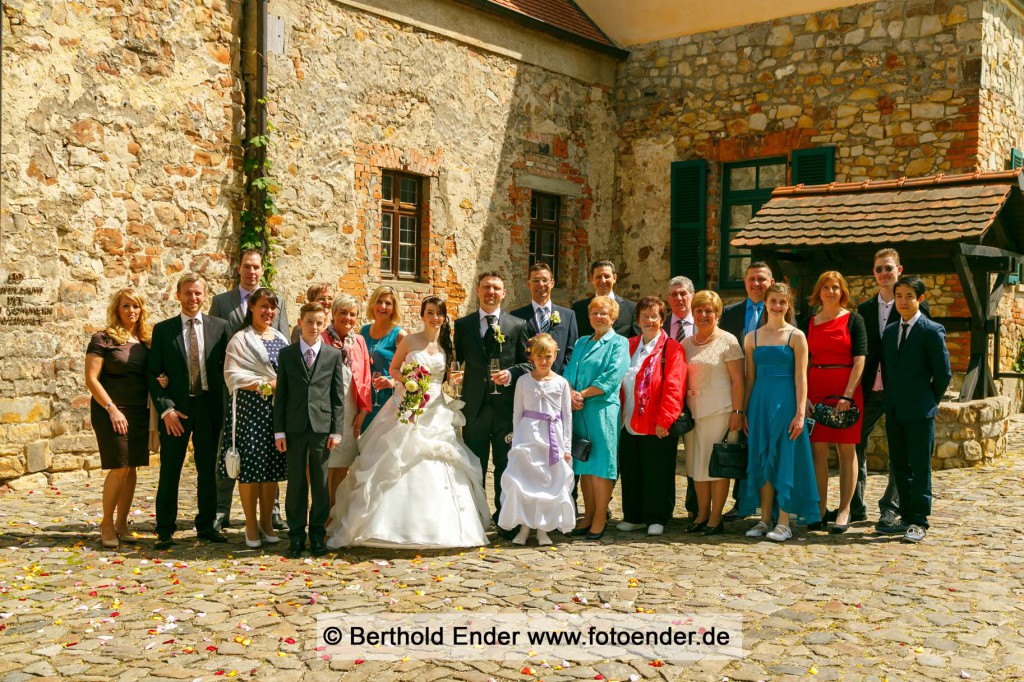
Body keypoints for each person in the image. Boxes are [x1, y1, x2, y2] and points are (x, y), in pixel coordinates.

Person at [326, 296, 491, 549]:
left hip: (437, 408)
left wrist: (454, 382)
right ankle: (385, 527)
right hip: (408, 405)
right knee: (396, 459)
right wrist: (409, 381)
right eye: (430, 312)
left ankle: (441, 527)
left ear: (444, 318)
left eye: (439, 313)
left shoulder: (447, 345)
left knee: (440, 461)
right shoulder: (410, 340)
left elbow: (449, 378)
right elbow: (393, 370)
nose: (435, 317)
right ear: (422, 315)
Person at [148, 273, 231, 549]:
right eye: (187, 293)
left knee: (208, 470)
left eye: (197, 293)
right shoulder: (163, 330)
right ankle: (165, 529)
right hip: (177, 412)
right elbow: (153, 375)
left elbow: (227, 369)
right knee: (171, 469)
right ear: (178, 295)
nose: (193, 298)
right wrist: (166, 409)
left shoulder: (220, 327)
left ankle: (206, 526)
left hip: (208, 408)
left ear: (204, 295)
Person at [208, 249, 288, 532]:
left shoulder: (276, 303)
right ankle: (222, 510)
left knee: (269, 460)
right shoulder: (222, 303)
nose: (251, 271)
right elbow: (215, 346)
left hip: (272, 403)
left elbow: (285, 350)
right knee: (234, 453)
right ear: (238, 269)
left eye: (256, 267)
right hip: (238, 396)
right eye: (246, 267)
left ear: (261, 269)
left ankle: (272, 514)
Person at [739, 283, 820, 542]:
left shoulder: (796, 336)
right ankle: (764, 519)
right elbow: (749, 378)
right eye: (773, 301)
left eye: (782, 302)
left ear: (788, 305)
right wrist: (744, 411)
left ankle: (784, 522)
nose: (777, 306)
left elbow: (801, 378)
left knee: (785, 457)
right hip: (760, 404)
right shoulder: (751, 337)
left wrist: (799, 412)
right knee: (762, 457)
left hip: (786, 403)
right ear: (765, 302)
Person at [857, 248, 931, 528]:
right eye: (878, 269)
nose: (884, 273)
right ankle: (855, 504)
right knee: (855, 442)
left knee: (899, 451)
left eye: (889, 268)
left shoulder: (915, 306)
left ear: (899, 270)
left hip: (900, 390)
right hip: (870, 388)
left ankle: (890, 507)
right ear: (873, 274)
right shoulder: (864, 309)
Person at [86, 288, 163, 549]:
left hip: (139, 412)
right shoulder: (102, 339)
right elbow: (91, 379)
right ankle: (106, 523)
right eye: (126, 306)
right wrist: (111, 408)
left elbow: (151, 374)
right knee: (119, 466)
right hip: (110, 410)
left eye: (136, 306)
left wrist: (161, 379)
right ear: (117, 310)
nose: (131, 311)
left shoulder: (146, 341)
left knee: (131, 468)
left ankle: (122, 523)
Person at [453, 272, 531, 530]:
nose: (491, 292)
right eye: (486, 287)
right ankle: (476, 518)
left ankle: (505, 519)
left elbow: (528, 363)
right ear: (477, 290)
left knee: (504, 465)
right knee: (474, 465)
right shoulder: (463, 326)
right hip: (474, 407)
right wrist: (453, 377)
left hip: (505, 408)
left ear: (504, 293)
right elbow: (455, 363)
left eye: (496, 288)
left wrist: (510, 374)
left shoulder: (517, 325)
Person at [877, 276, 951, 543]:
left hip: (920, 410)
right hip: (895, 410)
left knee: (920, 467)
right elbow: (887, 370)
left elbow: (943, 374)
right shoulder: (890, 331)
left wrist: (929, 400)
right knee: (900, 466)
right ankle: (906, 516)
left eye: (909, 296)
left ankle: (919, 521)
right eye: (899, 296)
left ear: (920, 299)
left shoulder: (931, 330)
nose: (903, 301)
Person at [274, 303, 345, 558]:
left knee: (320, 482)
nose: (314, 327)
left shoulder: (333, 355)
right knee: (295, 483)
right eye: (309, 322)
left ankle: (317, 535)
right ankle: (295, 535)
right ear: (299, 322)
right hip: (293, 428)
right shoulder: (287, 355)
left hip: (321, 429)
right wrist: (279, 432)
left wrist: (336, 431)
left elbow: (337, 396)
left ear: (324, 324)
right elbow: (280, 395)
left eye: (318, 323)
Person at [617, 297, 687, 537]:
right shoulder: (628, 345)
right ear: (637, 320)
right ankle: (634, 515)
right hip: (628, 420)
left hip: (656, 422)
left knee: (657, 471)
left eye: (654, 316)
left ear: (662, 320)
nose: (649, 321)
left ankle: (657, 516)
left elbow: (674, 386)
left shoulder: (672, 349)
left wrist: (664, 419)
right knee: (631, 468)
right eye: (644, 316)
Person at [803, 271, 867, 534]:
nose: (831, 292)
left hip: (846, 393)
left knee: (846, 451)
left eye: (836, 287)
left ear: (843, 292)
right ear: (818, 291)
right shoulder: (807, 322)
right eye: (826, 287)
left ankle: (844, 510)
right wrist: (804, 395)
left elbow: (860, 359)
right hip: (816, 390)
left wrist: (848, 394)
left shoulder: (854, 320)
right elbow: (803, 362)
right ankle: (819, 509)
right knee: (818, 452)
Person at [498, 334, 576, 546]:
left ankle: (543, 529)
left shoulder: (561, 383)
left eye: (548, 356)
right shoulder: (523, 381)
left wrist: (566, 446)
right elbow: (517, 412)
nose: (543, 360)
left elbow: (567, 415)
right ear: (532, 357)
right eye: (539, 356)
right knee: (525, 481)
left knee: (548, 482)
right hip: (528, 436)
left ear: (554, 357)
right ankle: (524, 527)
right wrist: (516, 443)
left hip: (553, 437)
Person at [564, 295, 630, 540]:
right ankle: (588, 515)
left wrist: (582, 394)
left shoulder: (619, 343)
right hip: (578, 410)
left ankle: (600, 517)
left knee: (601, 464)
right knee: (584, 463)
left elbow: (612, 377)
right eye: (595, 313)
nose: (599, 317)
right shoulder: (581, 342)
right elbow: (568, 372)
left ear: (613, 316)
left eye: (604, 313)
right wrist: (569, 393)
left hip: (601, 410)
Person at [680, 291, 745, 536]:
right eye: (699, 310)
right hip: (693, 414)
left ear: (717, 314)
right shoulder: (686, 343)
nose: (704, 315)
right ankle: (701, 514)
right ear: (693, 314)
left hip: (721, 412)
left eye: (709, 311)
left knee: (717, 466)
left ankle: (716, 518)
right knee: (697, 467)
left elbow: (739, 380)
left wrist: (738, 411)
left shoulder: (728, 341)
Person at [718, 261, 773, 517]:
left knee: (767, 445)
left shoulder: (777, 311)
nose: (756, 284)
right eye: (751, 279)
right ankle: (742, 501)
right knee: (739, 444)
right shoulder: (730, 313)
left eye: (761, 279)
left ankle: (769, 501)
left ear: (770, 283)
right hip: (735, 388)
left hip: (768, 388)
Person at [322, 294, 372, 509]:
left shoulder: (358, 340)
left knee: (344, 465)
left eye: (352, 314)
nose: (348, 318)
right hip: (328, 409)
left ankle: (337, 515)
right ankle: (323, 515)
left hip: (351, 408)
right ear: (333, 314)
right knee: (328, 465)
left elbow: (366, 375)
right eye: (343, 312)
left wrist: (363, 409)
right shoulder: (322, 338)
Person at [664, 275, 700, 519]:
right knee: (665, 459)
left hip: (698, 399)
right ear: (668, 299)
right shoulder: (660, 324)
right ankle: (664, 509)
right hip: (666, 402)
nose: (679, 298)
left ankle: (695, 508)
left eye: (683, 293)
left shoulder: (704, 322)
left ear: (692, 296)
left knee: (696, 456)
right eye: (674, 294)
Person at [510, 262, 578, 374]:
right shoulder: (516, 316)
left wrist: (561, 377)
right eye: (535, 281)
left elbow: (572, 351)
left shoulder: (568, 315)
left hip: (559, 381)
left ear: (552, 283)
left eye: (545, 280)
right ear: (529, 284)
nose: (540, 284)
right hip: (528, 380)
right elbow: (515, 352)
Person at [359, 285, 408, 428]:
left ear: (394, 308)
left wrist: (393, 381)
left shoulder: (399, 335)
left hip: (387, 399)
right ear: (373, 304)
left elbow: (414, 369)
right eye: (379, 302)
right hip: (365, 398)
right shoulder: (364, 330)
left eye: (388, 303)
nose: (383, 306)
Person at [572, 260, 640, 338]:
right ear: (592, 279)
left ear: (614, 278)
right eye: (598, 277)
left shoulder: (631, 308)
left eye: (607, 276)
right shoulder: (579, 308)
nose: (603, 281)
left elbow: (636, 340)